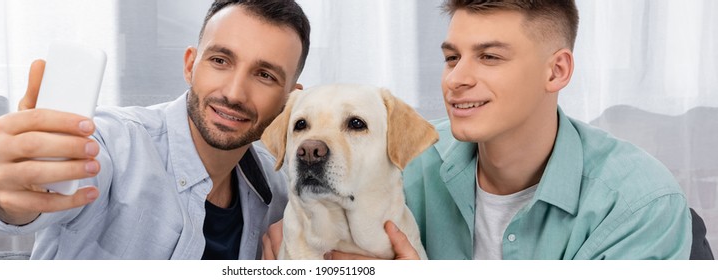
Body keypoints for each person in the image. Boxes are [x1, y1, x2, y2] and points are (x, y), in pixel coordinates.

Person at [263, 0, 693, 260]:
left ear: (556, 70)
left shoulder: (639, 205)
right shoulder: (400, 159)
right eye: (452, 58)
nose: (455, 80)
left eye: (489, 57)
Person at [0, 0, 310, 259]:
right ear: (191, 65)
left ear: (290, 101)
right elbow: (40, 193)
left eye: (265, 75)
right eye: (220, 61)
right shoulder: (114, 145)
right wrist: (11, 195)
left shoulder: (281, 190)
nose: (234, 93)